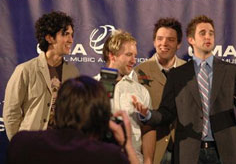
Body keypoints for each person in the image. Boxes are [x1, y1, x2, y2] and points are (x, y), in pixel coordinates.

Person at [133, 15, 236, 164]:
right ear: (191, 40)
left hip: (226, 153)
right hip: (189, 154)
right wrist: (148, 114)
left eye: (211, 33)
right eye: (202, 33)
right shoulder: (177, 74)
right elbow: (167, 113)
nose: (208, 37)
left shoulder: (230, 70)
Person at [7, 76, 139, 164]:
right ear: (100, 115)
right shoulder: (108, 156)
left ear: (58, 107)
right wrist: (126, 144)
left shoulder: (22, 143)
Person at [3, 11, 79, 140]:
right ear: (49, 38)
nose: (71, 40)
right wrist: (19, 145)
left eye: (72, 35)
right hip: (31, 146)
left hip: (62, 146)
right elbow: (11, 113)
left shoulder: (73, 72)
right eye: (65, 34)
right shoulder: (24, 70)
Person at [96, 29, 156, 164]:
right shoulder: (92, 87)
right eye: (129, 55)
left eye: (135, 55)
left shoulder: (141, 91)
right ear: (112, 55)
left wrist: (148, 160)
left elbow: (148, 129)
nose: (133, 60)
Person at [135, 17, 186, 164]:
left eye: (170, 39)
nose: (164, 43)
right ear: (154, 41)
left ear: (178, 44)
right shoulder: (139, 72)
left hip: (183, 150)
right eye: (160, 38)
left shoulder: (189, 71)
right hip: (153, 150)